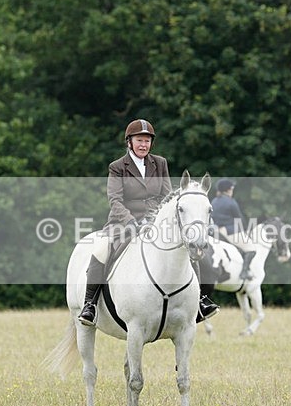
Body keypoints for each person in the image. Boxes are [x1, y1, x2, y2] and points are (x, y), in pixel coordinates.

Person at [78, 119, 219, 326]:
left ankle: (200, 301)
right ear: (129, 142)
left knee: (189, 251)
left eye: (147, 141)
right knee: (101, 250)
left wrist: (157, 219)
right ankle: (89, 304)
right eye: (139, 140)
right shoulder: (117, 167)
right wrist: (130, 221)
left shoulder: (160, 163)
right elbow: (114, 200)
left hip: (156, 223)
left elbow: (167, 196)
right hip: (123, 222)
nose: (143, 144)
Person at [211, 178, 256, 280]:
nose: (232, 190)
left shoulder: (214, 201)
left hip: (216, 231)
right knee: (251, 249)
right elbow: (239, 218)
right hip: (230, 231)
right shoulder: (231, 202)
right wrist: (245, 230)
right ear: (227, 190)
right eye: (231, 189)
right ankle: (244, 272)